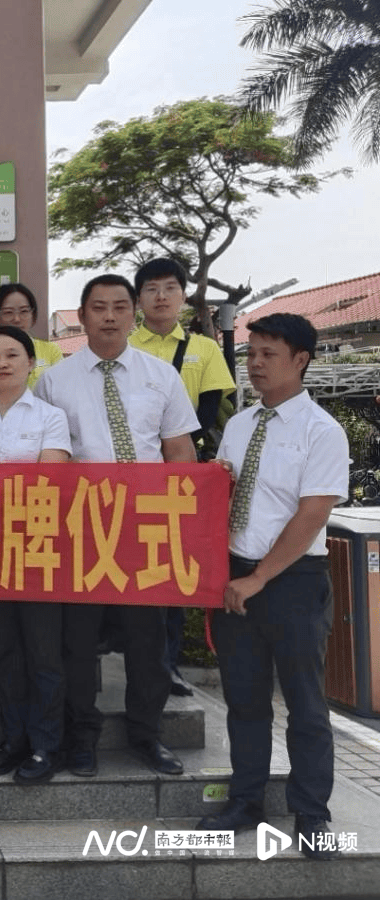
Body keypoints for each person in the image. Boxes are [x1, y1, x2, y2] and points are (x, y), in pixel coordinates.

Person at [197, 313, 348, 861]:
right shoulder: (240, 424)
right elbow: (222, 495)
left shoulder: (321, 431)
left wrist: (260, 577)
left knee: (305, 703)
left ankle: (312, 813)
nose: (255, 365)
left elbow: (312, 515)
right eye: (251, 354)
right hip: (236, 576)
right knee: (244, 698)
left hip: (290, 580)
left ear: (301, 360)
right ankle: (246, 801)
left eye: (268, 355)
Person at [34, 274, 198, 778]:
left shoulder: (161, 376)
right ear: (80, 317)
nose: (109, 316)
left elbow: (179, 454)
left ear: (134, 315)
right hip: (81, 527)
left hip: (146, 526)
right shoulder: (54, 381)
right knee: (79, 643)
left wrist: (191, 523)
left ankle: (146, 734)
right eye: (98, 307)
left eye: (119, 307)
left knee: (147, 640)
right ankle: (82, 737)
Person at [0, 326, 71, 784]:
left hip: (37, 545)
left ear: (30, 362)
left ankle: (46, 744)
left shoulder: (51, 417)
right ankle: (13, 738)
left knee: (43, 651)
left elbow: (49, 480)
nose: (1, 364)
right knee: (3, 650)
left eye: (12, 355)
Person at [129, 258, 237, 698]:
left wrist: (173, 444)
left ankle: (168, 665)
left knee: (167, 570)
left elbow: (210, 410)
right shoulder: (122, 346)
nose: (160, 297)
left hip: (176, 475)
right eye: (151, 289)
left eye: (169, 288)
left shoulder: (205, 348)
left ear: (183, 294)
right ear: (138, 299)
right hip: (127, 478)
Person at [0, 283, 62, 401]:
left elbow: (59, 393)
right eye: (8, 312)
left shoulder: (51, 350)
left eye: (24, 311)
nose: (16, 319)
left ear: (33, 314)